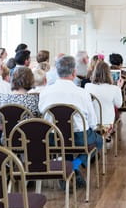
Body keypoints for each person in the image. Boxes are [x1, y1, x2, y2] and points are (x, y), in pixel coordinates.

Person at [38, 55, 101, 185]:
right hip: (78, 137)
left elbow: (41, 113)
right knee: (99, 140)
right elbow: (93, 123)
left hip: (52, 137)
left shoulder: (45, 92)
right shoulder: (82, 93)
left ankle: (67, 168)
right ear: (74, 72)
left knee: (64, 144)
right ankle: (74, 166)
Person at [85, 62, 123, 135]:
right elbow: (119, 105)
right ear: (109, 73)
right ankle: (105, 136)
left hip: (90, 123)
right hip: (106, 124)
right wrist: (119, 88)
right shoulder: (114, 89)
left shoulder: (88, 86)